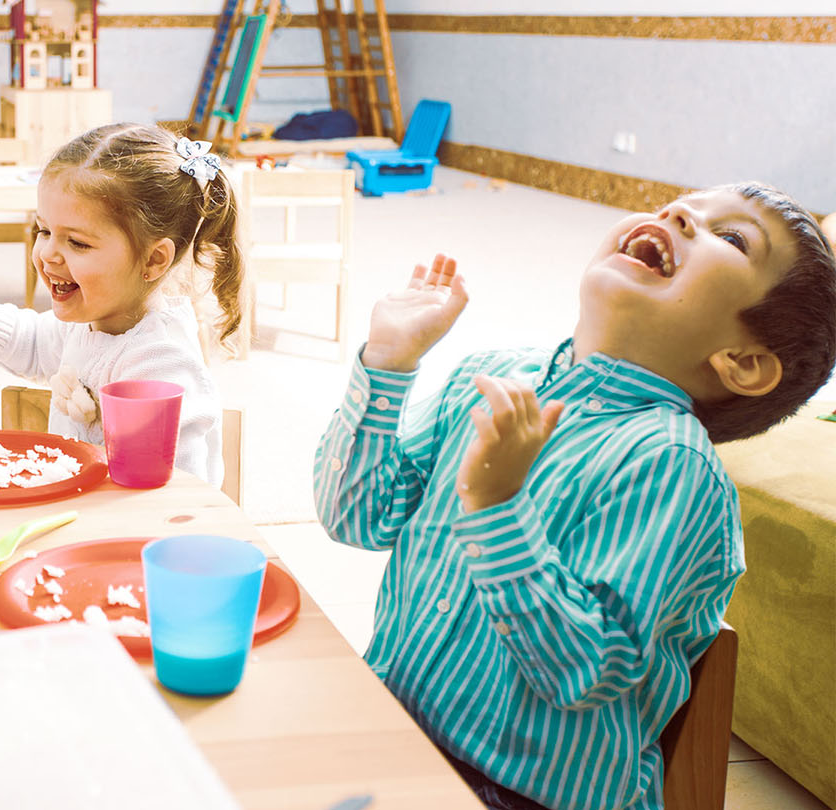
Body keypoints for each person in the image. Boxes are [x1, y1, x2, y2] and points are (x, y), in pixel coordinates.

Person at [313, 183, 836, 810]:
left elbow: (581, 670)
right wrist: (389, 363)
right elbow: (356, 517)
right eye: (684, 203)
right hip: (393, 731)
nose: (677, 213)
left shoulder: (672, 468)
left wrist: (496, 507)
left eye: (732, 238)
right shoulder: (494, 373)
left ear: (742, 361)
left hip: (522, 795)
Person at [0, 123, 243, 485]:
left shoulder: (159, 363)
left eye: (77, 243)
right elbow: (38, 342)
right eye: (43, 231)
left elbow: (178, 494)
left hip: (140, 530)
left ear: (153, 260)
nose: (47, 255)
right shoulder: (95, 320)